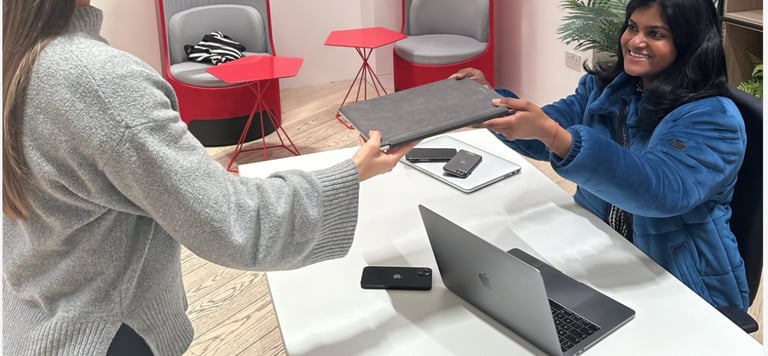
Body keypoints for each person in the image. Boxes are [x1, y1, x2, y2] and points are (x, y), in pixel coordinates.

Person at [2, 1, 417, 355]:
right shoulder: (98, 80)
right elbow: (234, 222)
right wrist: (353, 171)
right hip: (106, 334)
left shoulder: (17, 57)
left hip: (35, 318)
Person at [455, 0, 748, 310]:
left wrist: (554, 136)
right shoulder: (608, 87)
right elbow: (554, 123)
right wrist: (493, 103)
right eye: (633, 27)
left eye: (656, 34)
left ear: (689, 43)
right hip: (607, 251)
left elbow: (660, 189)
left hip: (682, 283)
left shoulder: (713, 118)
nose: (635, 41)